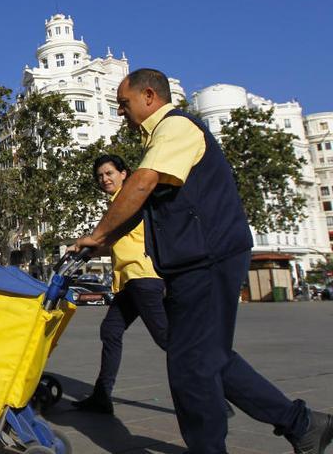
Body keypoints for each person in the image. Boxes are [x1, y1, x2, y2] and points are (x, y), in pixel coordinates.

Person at [70, 68, 332, 453]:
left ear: (148, 96)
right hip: (192, 259)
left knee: (190, 366)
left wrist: (97, 234)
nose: (121, 112)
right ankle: (302, 423)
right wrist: (104, 245)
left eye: (123, 104)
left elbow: (141, 184)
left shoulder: (177, 128)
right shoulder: (159, 137)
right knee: (211, 357)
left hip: (207, 257)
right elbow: (150, 210)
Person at [71, 154, 167, 415]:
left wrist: (88, 242)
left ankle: (219, 389)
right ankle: (102, 397)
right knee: (110, 330)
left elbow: (110, 236)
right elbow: (115, 240)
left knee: (169, 340)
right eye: (100, 176)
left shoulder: (130, 201)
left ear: (124, 174)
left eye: (110, 173)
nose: (104, 179)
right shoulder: (117, 203)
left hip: (143, 278)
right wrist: (87, 250)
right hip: (129, 282)